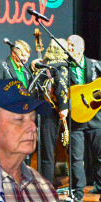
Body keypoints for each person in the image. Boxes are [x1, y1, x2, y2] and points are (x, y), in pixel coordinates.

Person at [61, 34, 101, 202]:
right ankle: (78, 191)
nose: (69, 48)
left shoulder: (96, 65)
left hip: (96, 117)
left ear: (82, 49)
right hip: (76, 116)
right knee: (76, 157)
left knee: (100, 156)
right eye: (68, 45)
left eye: (73, 45)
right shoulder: (64, 67)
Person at [37, 38, 71, 188]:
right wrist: (64, 107)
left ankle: (44, 185)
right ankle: (49, 187)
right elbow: (61, 87)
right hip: (53, 112)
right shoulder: (61, 67)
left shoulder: (43, 66)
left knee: (46, 152)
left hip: (41, 110)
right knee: (53, 152)